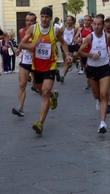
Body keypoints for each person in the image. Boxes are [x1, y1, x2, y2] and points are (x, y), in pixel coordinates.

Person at [18, 7, 73, 135]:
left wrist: (68, 54)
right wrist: (33, 46)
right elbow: (22, 45)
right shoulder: (33, 29)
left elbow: (63, 43)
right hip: (36, 66)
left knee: (45, 92)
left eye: (46, 17)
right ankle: (54, 96)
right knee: (38, 87)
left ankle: (40, 123)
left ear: (50, 18)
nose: (44, 19)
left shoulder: (55, 30)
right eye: (42, 16)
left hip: (50, 66)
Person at [78, 14, 110, 133]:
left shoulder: (108, 36)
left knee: (104, 94)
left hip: (105, 68)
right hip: (92, 69)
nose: (96, 26)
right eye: (95, 24)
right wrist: (91, 55)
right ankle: (98, 100)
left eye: (99, 24)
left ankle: (102, 123)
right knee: (97, 95)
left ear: (103, 25)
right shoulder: (90, 37)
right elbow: (80, 52)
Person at [12, 12, 37, 117]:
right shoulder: (22, 31)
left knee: (38, 87)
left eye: (31, 21)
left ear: (35, 22)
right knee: (22, 85)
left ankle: (53, 95)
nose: (29, 23)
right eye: (27, 20)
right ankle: (20, 108)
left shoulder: (39, 31)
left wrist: (30, 47)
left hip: (37, 62)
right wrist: (18, 49)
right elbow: (22, 44)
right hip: (25, 61)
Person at [59, 15, 78, 82]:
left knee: (67, 62)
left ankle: (63, 76)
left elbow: (78, 35)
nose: (68, 21)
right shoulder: (63, 28)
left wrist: (77, 40)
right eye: (67, 20)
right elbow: (58, 35)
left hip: (71, 46)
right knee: (65, 60)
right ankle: (71, 64)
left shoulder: (75, 29)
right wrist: (60, 41)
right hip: (64, 46)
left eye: (70, 20)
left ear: (72, 21)